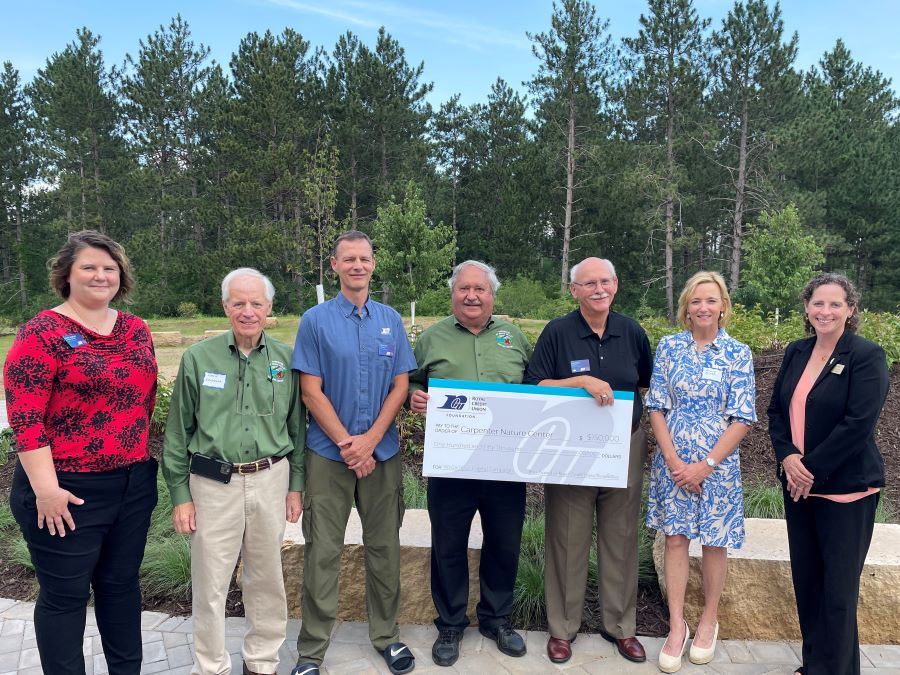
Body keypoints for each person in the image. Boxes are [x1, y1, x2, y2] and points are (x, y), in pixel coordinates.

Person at [5, 230, 158, 675]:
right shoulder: (42, 332)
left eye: (109, 268)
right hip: (65, 491)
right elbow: (25, 419)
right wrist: (47, 491)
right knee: (65, 596)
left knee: (120, 587)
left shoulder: (136, 329)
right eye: (89, 267)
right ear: (66, 276)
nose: (100, 275)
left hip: (132, 484)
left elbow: (142, 403)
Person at [163, 268, 305, 675]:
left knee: (266, 578)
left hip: (270, 477)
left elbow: (297, 427)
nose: (248, 311)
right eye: (238, 303)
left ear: (269, 308)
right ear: (225, 306)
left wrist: (296, 485)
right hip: (212, 482)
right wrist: (180, 495)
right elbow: (178, 433)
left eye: (256, 303)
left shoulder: (286, 360)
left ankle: (261, 661)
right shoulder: (198, 358)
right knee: (210, 582)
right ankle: (211, 666)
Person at [290, 231, 418, 675]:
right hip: (329, 456)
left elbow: (401, 384)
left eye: (364, 258)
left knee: (384, 548)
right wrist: (349, 444)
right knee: (322, 552)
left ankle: (387, 637)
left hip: (380, 455)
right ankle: (311, 652)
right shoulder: (315, 321)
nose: (357, 265)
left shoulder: (390, 319)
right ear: (334, 265)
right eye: (349, 259)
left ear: (373, 264)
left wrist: (369, 442)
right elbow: (311, 391)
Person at [524, 257, 652, 665]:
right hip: (570, 450)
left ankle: (620, 627)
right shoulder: (558, 333)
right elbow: (536, 385)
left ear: (615, 284)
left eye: (605, 281)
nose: (598, 289)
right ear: (573, 290)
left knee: (621, 538)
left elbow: (645, 384)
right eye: (588, 283)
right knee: (567, 537)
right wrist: (580, 381)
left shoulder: (632, 331)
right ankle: (562, 629)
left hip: (624, 446)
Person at [408, 260, 532, 667]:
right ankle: (450, 622)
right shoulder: (431, 339)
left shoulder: (513, 337)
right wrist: (414, 394)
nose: (472, 295)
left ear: (492, 295)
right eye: (464, 289)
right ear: (453, 293)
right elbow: (409, 381)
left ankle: (496, 619)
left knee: (504, 541)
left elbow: (536, 387)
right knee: (448, 544)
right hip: (452, 462)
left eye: (480, 289)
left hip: (505, 463)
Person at [767, 273, 888, 675]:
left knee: (838, 592)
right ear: (806, 308)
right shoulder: (797, 352)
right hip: (799, 487)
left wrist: (810, 470)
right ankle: (814, 665)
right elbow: (776, 413)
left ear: (850, 310)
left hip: (844, 490)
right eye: (819, 303)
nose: (826, 311)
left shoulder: (866, 355)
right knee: (809, 584)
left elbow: (858, 424)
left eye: (836, 304)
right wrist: (788, 459)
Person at [644, 271, 756, 672]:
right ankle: (677, 625)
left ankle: (709, 620)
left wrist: (705, 466)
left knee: (713, 542)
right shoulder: (669, 347)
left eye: (710, 300)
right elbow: (656, 406)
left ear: (723, 306)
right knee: (675, 539)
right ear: (686, 308)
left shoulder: (737, 353)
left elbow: (742, 417)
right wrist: (675, 462)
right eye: (695, 301)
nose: (703, 307)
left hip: (718, 466)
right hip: (672, 463)